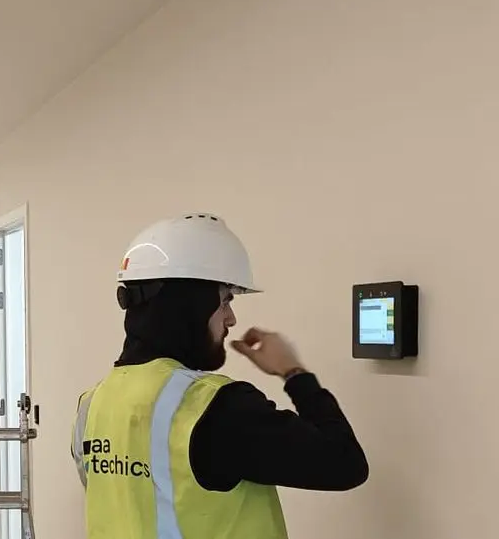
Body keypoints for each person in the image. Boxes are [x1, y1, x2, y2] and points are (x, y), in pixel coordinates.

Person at [71, 213, 367, 538]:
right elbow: (345, 463)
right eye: (224, 300)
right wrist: (294, 373)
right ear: (190, 305)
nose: (231, 318)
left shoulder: (91, 406)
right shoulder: (215, 408)